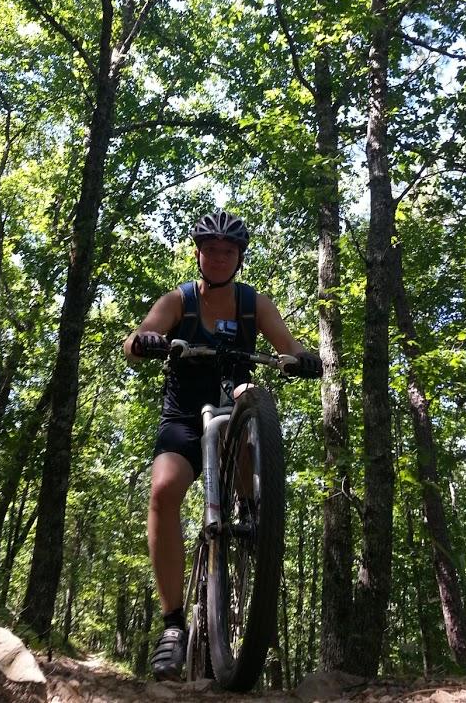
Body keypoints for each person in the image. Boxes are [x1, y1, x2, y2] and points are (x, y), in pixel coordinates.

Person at [123, 209, 322, 680]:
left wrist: (300, 359)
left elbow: (287, 348)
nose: (217, 257)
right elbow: (139, 336)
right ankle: (173, 626)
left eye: (227, 251)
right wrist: (145, 341)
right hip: (184, 419)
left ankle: (252, 509)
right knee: (164, 491)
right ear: (199, 255)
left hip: (233, 407)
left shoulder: (255, 305)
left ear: (238, 258)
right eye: (210, 250)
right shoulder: (180, 301)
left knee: (250, 397)